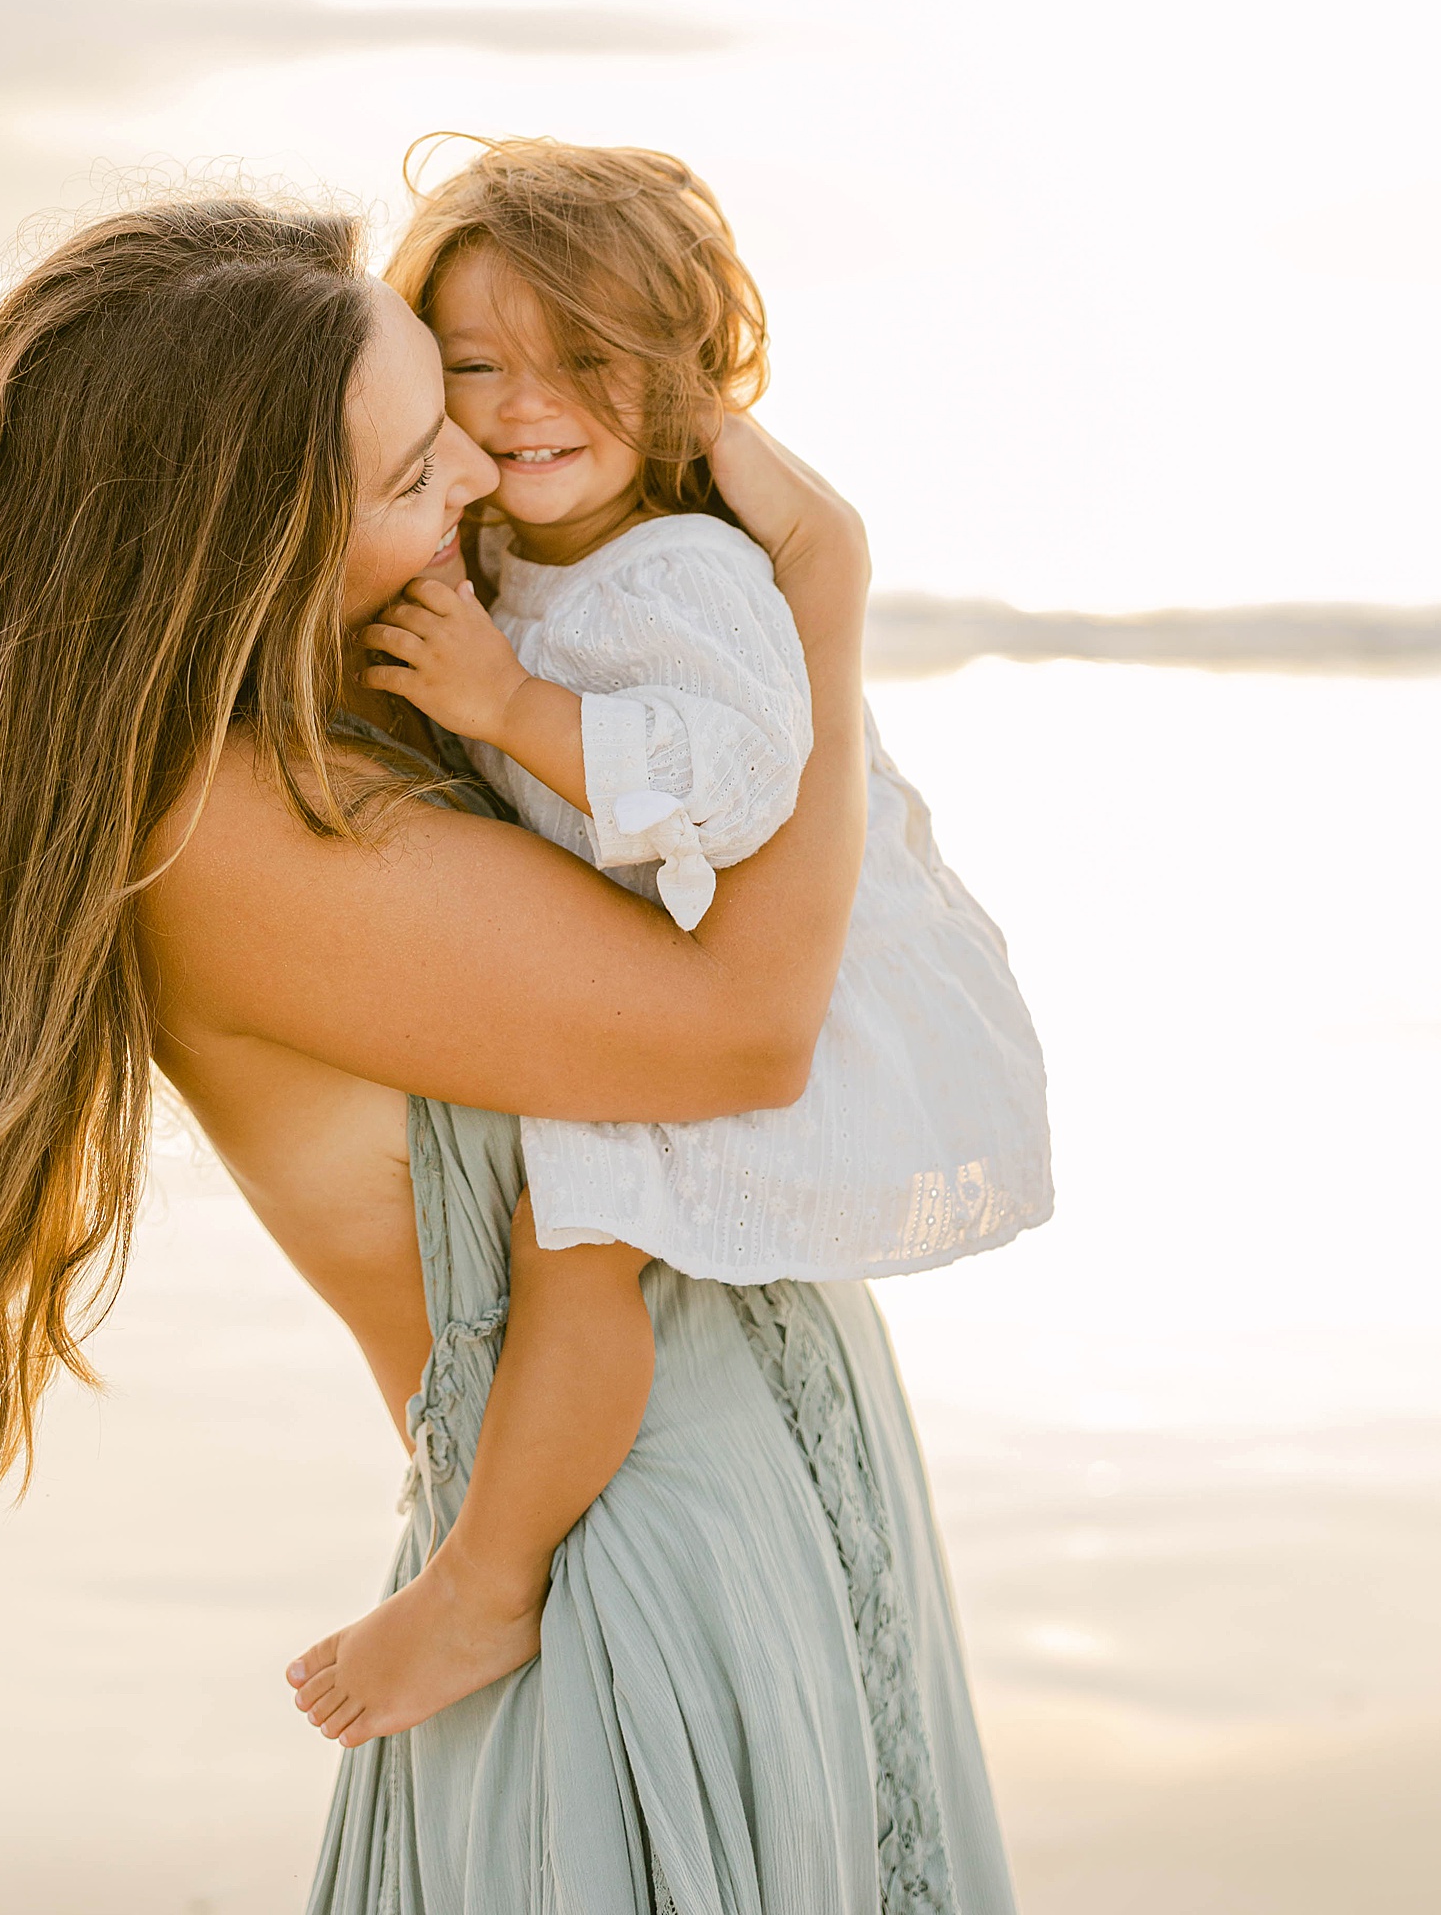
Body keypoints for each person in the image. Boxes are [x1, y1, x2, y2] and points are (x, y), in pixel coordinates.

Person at [0, 191, 1021, 1913]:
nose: (475, 479)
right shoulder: (224, 831)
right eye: (411, 464)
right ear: (239, 545)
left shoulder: (381, 700)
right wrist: (823, 591)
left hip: (757, 1512)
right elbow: (747, 1035)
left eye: (450, 423)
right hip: (615, 1583)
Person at [287, 137, 1052, 1754]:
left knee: (586, 1256)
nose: (520, 406)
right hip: (619, 960)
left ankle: (489, 1583)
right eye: (477, 364)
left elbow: (744, 773)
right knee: (570, 1243)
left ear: (688, 391)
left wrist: (509, 703)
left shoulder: (688, 572)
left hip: (714, 959)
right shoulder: (501, 549)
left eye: (588, 364)